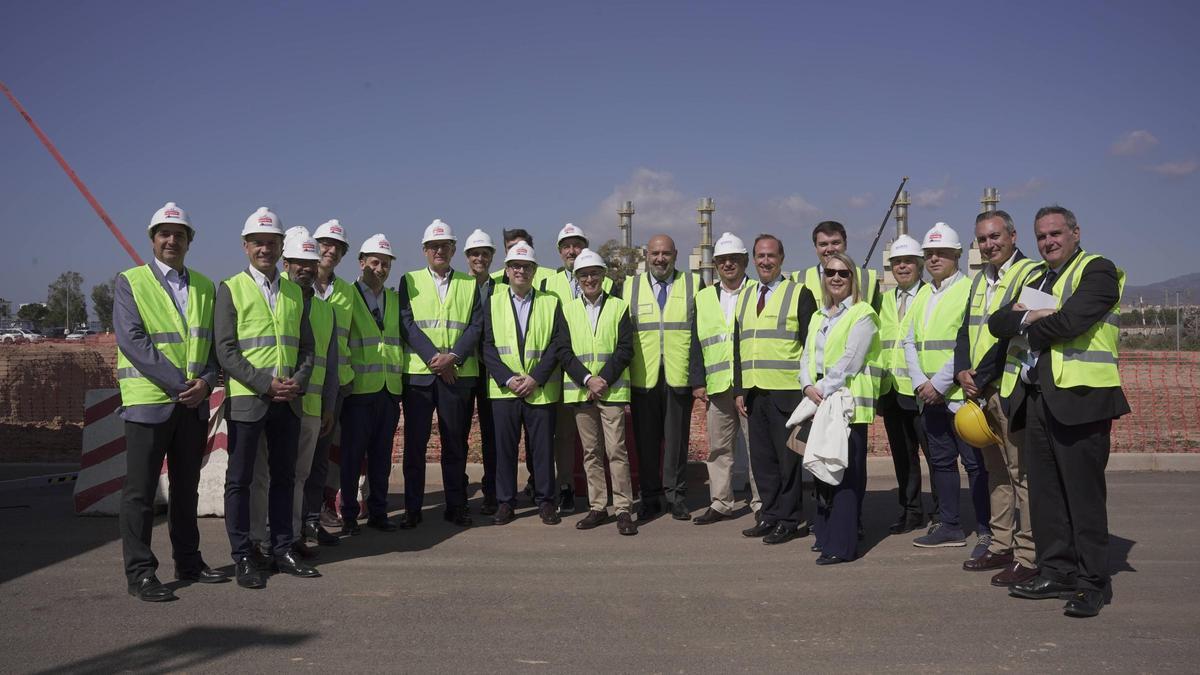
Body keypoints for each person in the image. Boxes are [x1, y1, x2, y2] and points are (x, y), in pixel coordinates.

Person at [989, 205, 1129, 618]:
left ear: (1074, 232)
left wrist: (1026, 321)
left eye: (1055, 233)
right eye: (1042, 236)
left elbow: (1071, 323)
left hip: (1081, 400)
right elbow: (997, 323)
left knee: (1082, 497)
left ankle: (1092, 583)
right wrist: (1035, 314)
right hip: (1038, 400)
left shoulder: (1098, 270)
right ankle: (1056, 570)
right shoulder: (1036, 278)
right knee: (1047, 495)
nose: (1048, 241)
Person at [115, 202, 227, 601]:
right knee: (141, 493)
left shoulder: (203, 285)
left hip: (193, 404)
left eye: (179, 234)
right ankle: (142, 573)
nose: (171, 240)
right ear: (152, 239)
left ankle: (189, 561)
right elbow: (134, 342)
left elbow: (213, 347)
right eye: (164, 233)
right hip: (150, 404)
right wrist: (183, 385)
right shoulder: (131, 282)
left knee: (186, 488)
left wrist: (207, 381)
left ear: (189, 241)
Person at [215, 207, 318, 588]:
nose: (265, 249)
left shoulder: (294, 292)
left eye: (272, 243)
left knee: (284, 478)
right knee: (240, 481)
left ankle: (282, 548)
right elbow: (226, 350)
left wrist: (296, 381)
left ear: (281, 247)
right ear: (245, 246)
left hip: (288, 401)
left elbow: (307, 347)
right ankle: (244, 555)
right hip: (249, 402)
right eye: (258, 242)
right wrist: (265, 383)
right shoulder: (231, 288)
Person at [953, 211, 1040, 583]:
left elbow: (1013, 333)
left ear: (1013, 235)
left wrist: (981, 376)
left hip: (1008, 389)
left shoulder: (1031, 274)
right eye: (983, 240)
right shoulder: (979, 281)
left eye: (995, 237)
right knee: (996, 472)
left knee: (1023, 473)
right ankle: (1001, 544)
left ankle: (1029, 554)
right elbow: (964, 330)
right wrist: (961, 371)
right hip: (979, 390)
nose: (989, 245)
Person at [248, 228, 340, 561]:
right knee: (265, 476)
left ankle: (292, 534)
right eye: (298, 263)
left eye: (310, 264)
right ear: (286, 263)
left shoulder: (325, 309)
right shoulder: (280, 299)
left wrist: (328, 404)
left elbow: (329, 362)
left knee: (298, 477)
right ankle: (261, 540)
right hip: (273, 403)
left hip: (311, 407)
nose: (305, 269)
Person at [904, 223, 991, 552]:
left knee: (975, 466)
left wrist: (939, 383)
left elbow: (964, 342)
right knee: (940, 463)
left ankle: (986, 530)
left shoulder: (968, 290)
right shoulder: (924, 292)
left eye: (941, 253)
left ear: (957, 255)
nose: (934, 258)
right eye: (929, 254)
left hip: (960, 397)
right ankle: (950, 524)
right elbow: (909, 340)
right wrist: (920, 383)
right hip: (930, 397)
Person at [398, 220, 482, 528]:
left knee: (455, 444)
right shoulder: (410, 280)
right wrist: (435, 358)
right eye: (434, 246)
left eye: (445, 246)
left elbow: (475, 325)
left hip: (454, 375)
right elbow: (406, 323)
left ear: (453, 250)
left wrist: (453, 358)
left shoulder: (468, 283)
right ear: (424, 250)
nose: (439, 251)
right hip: (420, 376)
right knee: (415, 446)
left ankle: (456, 506)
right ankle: (412, 508)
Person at [482, 240, 573, 526]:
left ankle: (546, 502)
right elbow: (487, 346)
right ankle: (505, 502)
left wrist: (536, 378)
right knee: (504, 450)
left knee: (542, 450)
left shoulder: (550, 301)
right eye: (516, 266)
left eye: (527, 266)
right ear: (507, 271)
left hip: (540, 390)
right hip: (504, 391)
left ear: (534, 271)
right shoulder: (492, 301)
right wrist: (508, 379)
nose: (521, 270)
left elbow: (558, 344)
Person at [735, 234, 817, 544]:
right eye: (760, 256)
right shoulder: (745, 296)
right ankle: (768, 515)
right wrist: (739, 389)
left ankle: (789, 518)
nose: (765, 261)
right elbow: (738, 345)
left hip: (787, 393)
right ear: (754, 260)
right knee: (763, 462)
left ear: (781, 258)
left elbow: (811, 345)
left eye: (771, 255)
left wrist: (809, 387)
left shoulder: (798, 293)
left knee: (787, 464)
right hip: (755, 394)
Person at [800, 253, 881, 564]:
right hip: (821, 401)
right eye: (830, 272)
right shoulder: (819, 316)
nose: (836, 278)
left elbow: (851, 360)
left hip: (847, 405)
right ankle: (825, 535)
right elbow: (806, 356)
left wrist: (820, 387)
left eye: (843, 273)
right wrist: (807, 383)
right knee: (822, 472)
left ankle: (842, 545)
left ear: (853, 278)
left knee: (844, 474)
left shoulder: (863, 314)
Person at [619, 234, 700, 521]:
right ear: (646, 255)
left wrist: (697, 377)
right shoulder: (630, 287)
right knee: (646, 441)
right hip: (643, 377)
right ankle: (650, 496)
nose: (660, 259)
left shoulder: (693, 283)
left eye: (665, 253)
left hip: (678, 376)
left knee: (677, 442)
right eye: (654, 253)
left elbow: (699, 333)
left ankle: (676, 496)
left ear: (675, 255)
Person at [560, 248, 638, 535]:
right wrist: (586, 379)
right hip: (582, 392)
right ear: (577, 278)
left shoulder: (618, 307)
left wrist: (602, 379)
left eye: (594, 273)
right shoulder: (567, 310)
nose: (589, 278)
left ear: (603, 276)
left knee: (617, 450)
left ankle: (623, 509)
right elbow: (564, 351)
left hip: (612, 391)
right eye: (583, 274)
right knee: (591, 452)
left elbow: (625, 349)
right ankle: (597, 507)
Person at [540, 223, 613, 513]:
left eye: (577, 244)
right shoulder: (547, 283)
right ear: (559, 252)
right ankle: (566, 486)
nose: (572, 250)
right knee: (564, 435)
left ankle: (605, 497)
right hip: (560, 375)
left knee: (601, 442)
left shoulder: (603, 281)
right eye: (566, 246)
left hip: (597, 377)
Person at [689, 232, 762, 525]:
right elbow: (697, 341)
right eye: (722, 260)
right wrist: (698, 381)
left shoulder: (759, 292)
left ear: (745, 261)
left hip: (752, 384)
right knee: (719, 448)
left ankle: (761, 502)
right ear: (716, 264)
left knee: (758, 447)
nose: (728, 264)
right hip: (717, 385)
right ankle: (721, 502)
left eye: (734, 259)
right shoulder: (704, 297)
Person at [338, 233, 404, 535]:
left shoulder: (393, 298)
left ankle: (379, 511)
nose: (380, 268)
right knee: (351, 458)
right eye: (375, 262)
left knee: (381, 458)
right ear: (362, 262)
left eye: (386, 264)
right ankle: (350, 515)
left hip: (388, 391)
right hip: (358, 392)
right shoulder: (347, 296)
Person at [875, 234, 933, 534]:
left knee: (936, 455)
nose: (902, 267)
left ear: (920, 264)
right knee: (903, 457)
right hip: (892, 391)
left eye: (908, 261)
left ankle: (942, 511)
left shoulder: (930, 296)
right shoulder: (884, 300)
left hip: (923, 390)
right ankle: (911, 510)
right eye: (897, 262)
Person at [303, 219, 353, 544]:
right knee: (295, 463)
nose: (330, 250)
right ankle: (285, 528)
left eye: (337, 246)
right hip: (299, 387)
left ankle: (310, 521)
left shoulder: (347, 291)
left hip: (333, 387)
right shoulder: (290, 286)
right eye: (325, 243)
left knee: (320, 460)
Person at [463, 228, 500, 515]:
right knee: (458, 433)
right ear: (467, 257)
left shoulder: (501, 288)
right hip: (463, 370)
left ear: (492, 257)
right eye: (475, 254)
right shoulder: (459, 287)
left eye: (485, 254)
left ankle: (491, 490)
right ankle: (458, 488)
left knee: (491, 434)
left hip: (491, 372)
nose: (480, 258)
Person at [793, 221, 881, 312]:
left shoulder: (868, 278)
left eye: (835, 243)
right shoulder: (798, 279)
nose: (830, 249)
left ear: (845, 244)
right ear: (816, 248)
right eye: (823, 244)